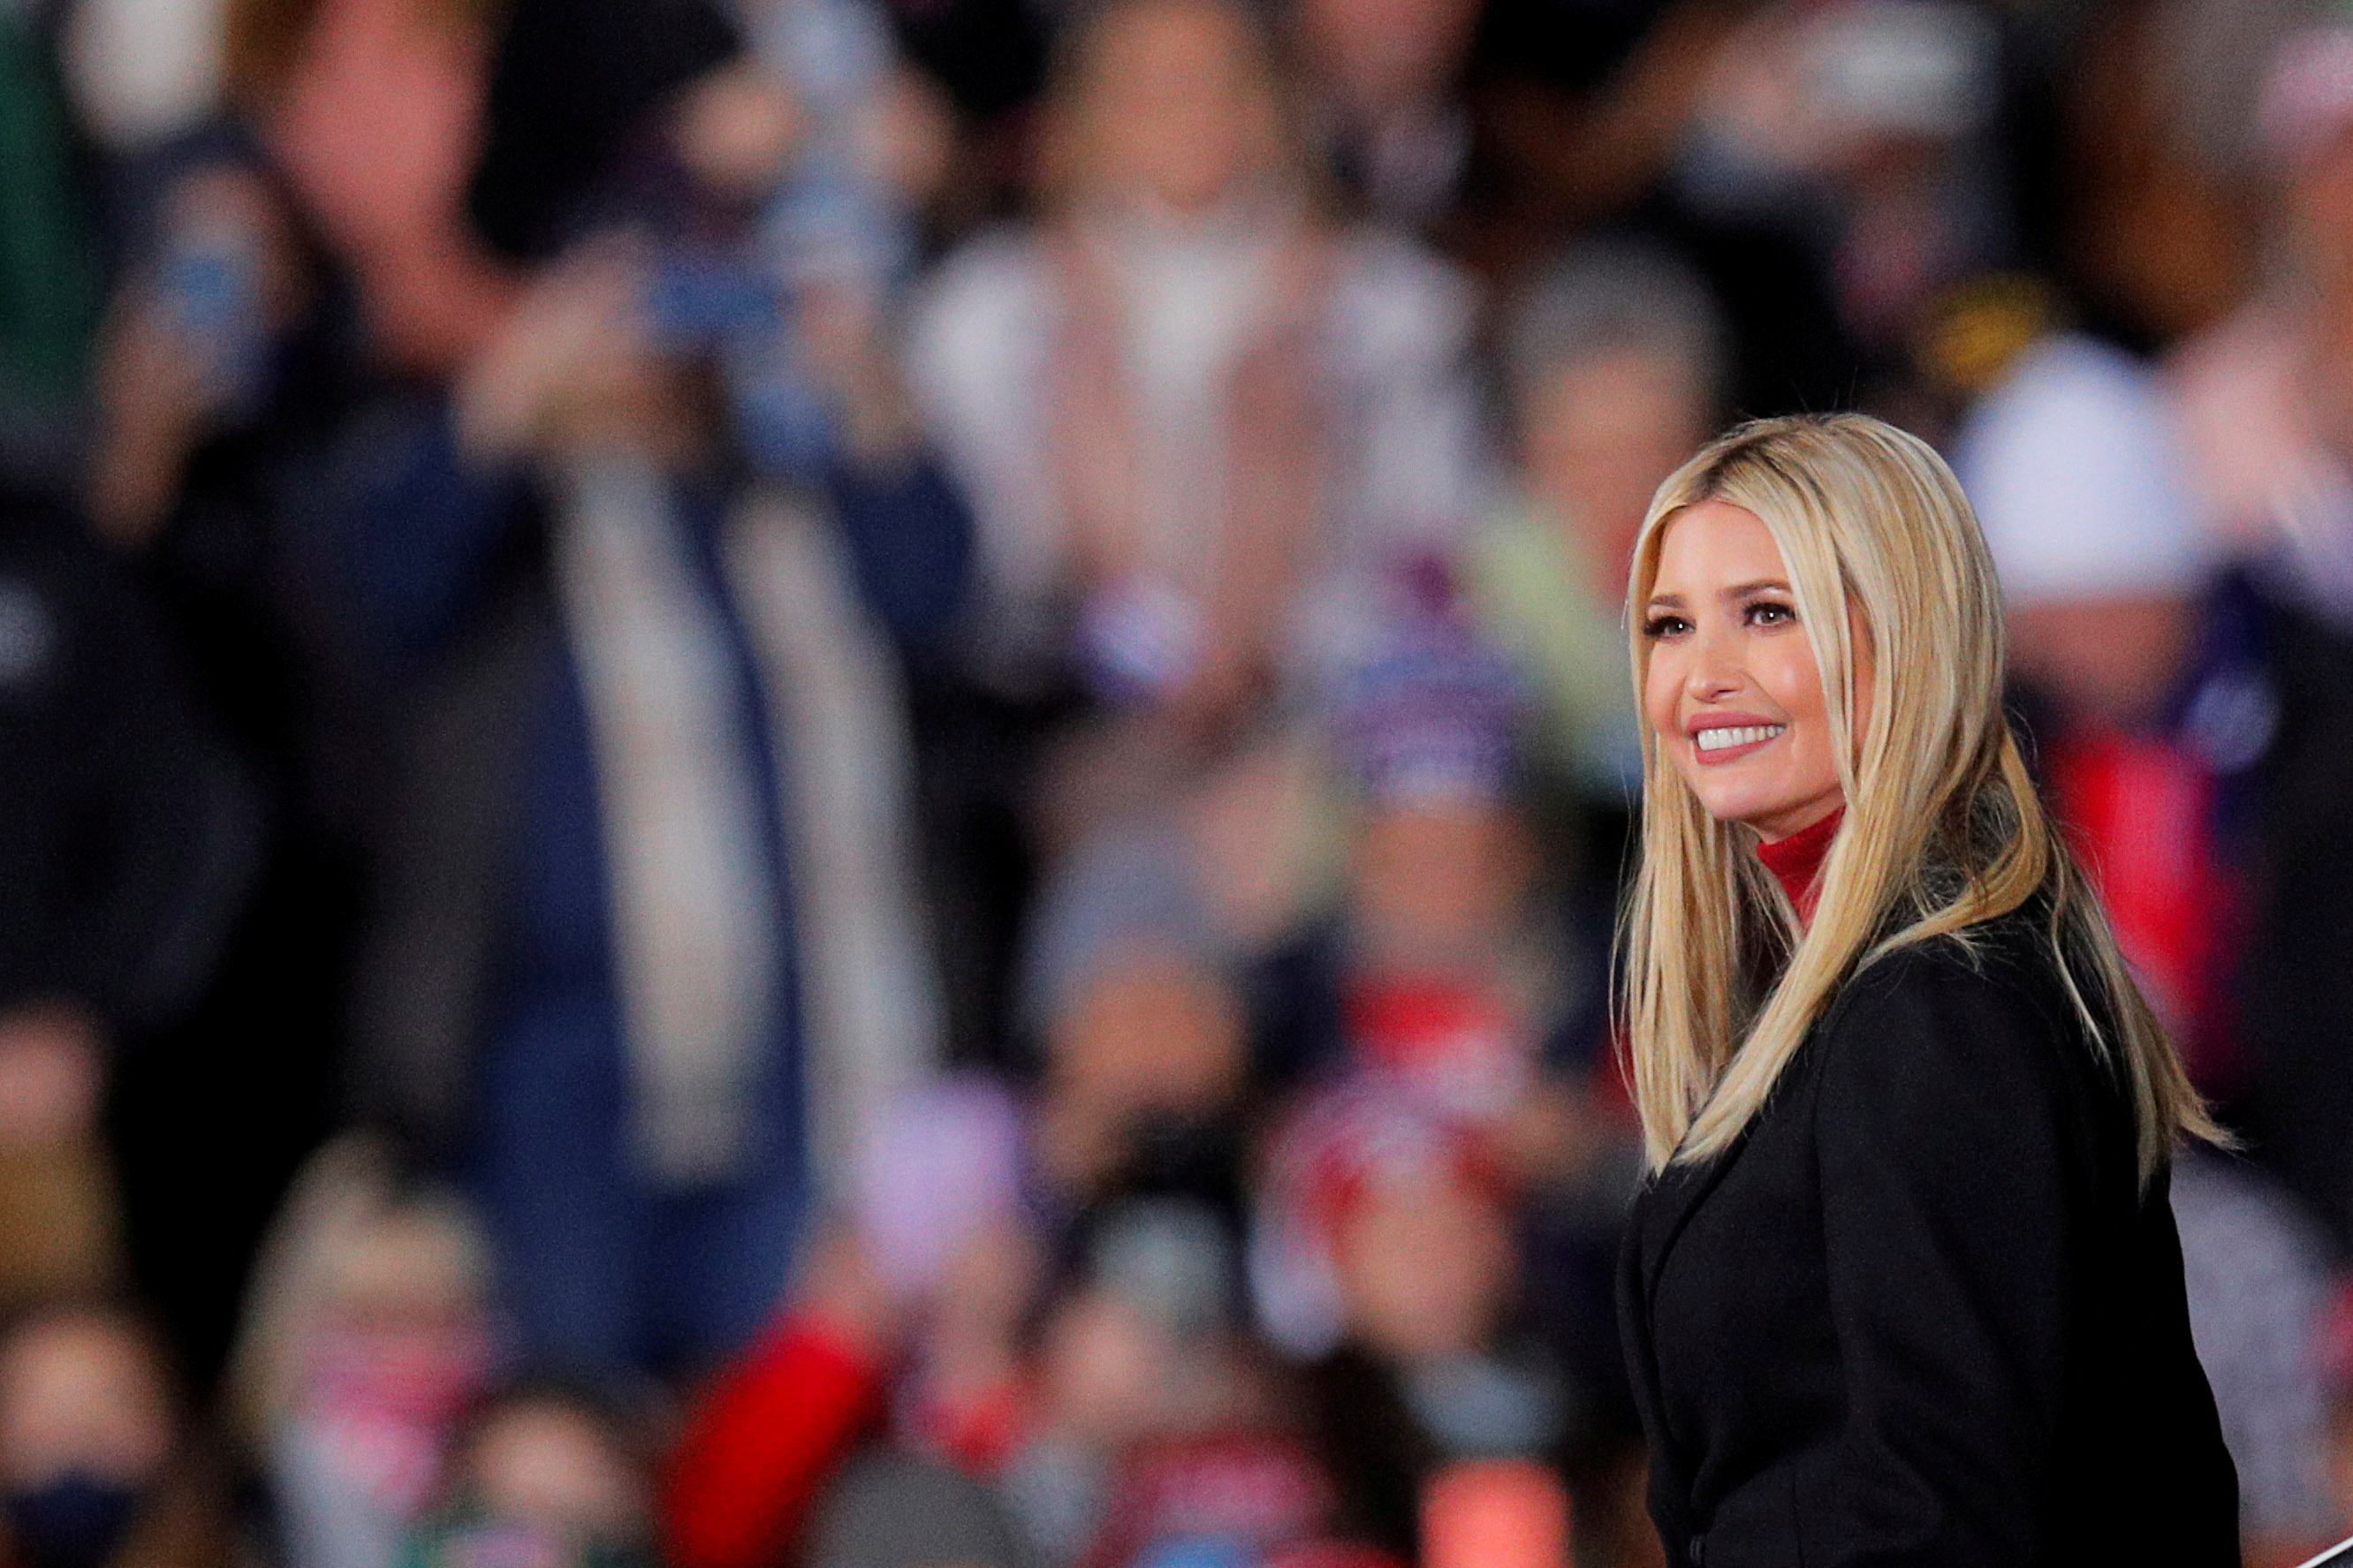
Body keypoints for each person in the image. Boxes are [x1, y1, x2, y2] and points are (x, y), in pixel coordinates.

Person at [1613, 413, 2240, 1564]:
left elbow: (1945, 1514)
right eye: (1670, 625)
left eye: (1769, 612)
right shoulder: (1870, 986)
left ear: (1908, 637)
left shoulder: (1940, 1011)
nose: (1702, 676)